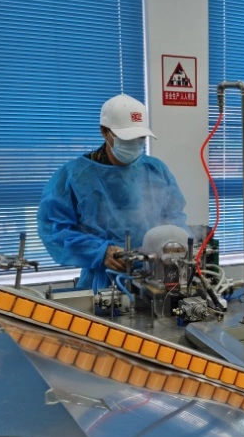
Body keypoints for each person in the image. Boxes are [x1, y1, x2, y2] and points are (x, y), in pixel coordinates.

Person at [37, 94, 188, 291]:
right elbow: (54, 230)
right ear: (105, 132)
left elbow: (174, 217)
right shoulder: (75, 176)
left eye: (140, 137)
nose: (135, 143)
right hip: (104, 284)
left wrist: (173, 246)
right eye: (127, 138)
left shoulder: (156, 171)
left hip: (156, 279)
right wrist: (100, 252)